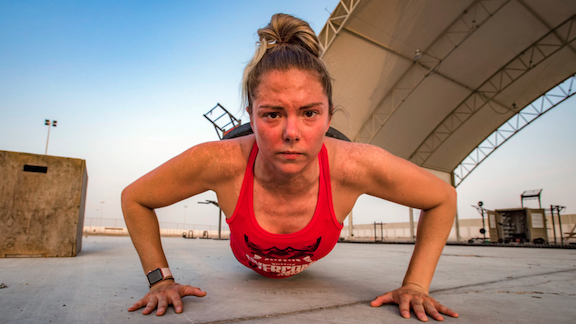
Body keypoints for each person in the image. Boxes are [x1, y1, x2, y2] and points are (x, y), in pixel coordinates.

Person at [121, 13, 459, 321]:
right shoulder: (219, 161)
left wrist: (416, 285)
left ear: (329, 117)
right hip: (248, 150)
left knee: (322, 148)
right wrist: (160, 280)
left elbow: (442, 198)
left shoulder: (356, 165)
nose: (291, 133)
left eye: (310, 112)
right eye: (272, 113)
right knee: (255, 146)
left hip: (328, 154)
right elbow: (135, 197)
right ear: (250, 116)